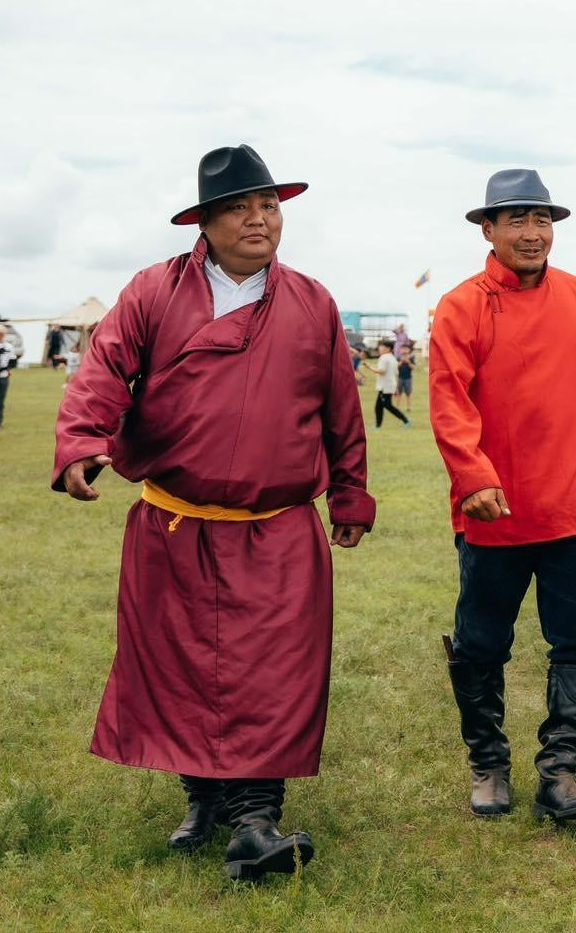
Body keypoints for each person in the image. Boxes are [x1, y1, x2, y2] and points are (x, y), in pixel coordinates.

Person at [51, 144, 374, 879]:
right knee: (181, 667)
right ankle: (203, 801)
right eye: (239, 207)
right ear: (205, 222)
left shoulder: (313, 302)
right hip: (175, 521)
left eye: (269, 205)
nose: (259, 219)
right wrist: (79, 444)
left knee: (273, 673)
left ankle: (257, 816)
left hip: (279, 526)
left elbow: (340, 411)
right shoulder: (152, 292)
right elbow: (102, 372)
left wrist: (351, 493)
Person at [429, 168, 576, 823]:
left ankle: (561, 771)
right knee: (481, 644)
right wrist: (473, 478)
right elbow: (449, 402)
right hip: (492, 510)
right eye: (517, 220)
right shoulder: (460, 305)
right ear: (488, 227)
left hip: (574, 506)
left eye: (542, 220)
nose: (533, 234)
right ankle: (487, 763)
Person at [362, 339, 410, 428]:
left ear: (388, 348)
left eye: (382, 346)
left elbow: (382, 371)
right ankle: (378, 426)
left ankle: (405, 420)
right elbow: (396, 372)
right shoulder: (392, 358)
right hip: (390, 385)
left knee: (387, 406)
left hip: (385, 386)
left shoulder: (383, 358)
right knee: (379, 406)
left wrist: (369, 367)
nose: (380, 348)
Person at [396, 342, 416, 412]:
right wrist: (401, 361)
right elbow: (396, 366)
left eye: (406, 349)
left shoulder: (411, 358)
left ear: (409, 350)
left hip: (408, 378)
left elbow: (414, 367)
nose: (404, 350)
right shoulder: (398, 357)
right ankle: (397, 407)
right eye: (402, 349)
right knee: (399, 393)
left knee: (408, 393)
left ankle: (409, 407)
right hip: (400, 377)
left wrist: (408, 362)